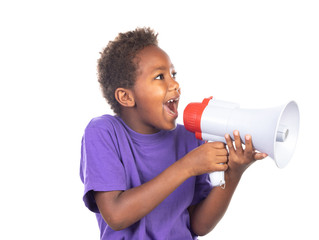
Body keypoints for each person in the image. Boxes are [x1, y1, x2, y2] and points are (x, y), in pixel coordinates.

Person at [80, 27, 267, 239]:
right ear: (126, 97)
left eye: (173, 74)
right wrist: (188, 166)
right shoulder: (103, 132)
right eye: (160, 76)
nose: (175, 84)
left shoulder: (189, 137)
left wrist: (233, 172)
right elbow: (116, 215)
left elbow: (198, 225)